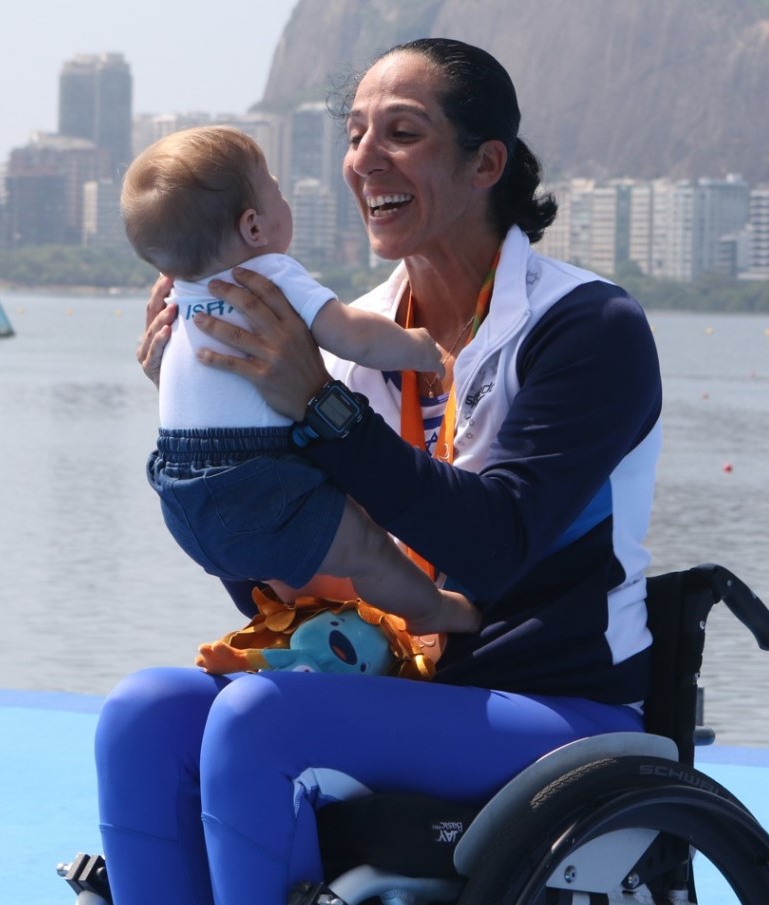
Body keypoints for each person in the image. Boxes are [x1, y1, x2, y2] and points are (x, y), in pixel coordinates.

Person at [95, 38, 663, 905]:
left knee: (259, 717)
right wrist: (212, 443)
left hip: (556, 705)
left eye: (401, 132)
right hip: (391, 680)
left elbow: (496, 547)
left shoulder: (586, 327)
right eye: (355, 133)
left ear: (486, 163)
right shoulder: (335, 331)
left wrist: (323, 411)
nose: (364, 159)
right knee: (145, 714)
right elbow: (278, 590)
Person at [118, 125, 477, 648]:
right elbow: (353, 336)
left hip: (181, 497)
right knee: (369, 549)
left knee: (283, 552)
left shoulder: (179, 301)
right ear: (254, 227)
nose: (283, 191)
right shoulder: (272, 273)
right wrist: (422, 348)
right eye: (274, 189)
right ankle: (435, 612)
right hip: (259, 480)